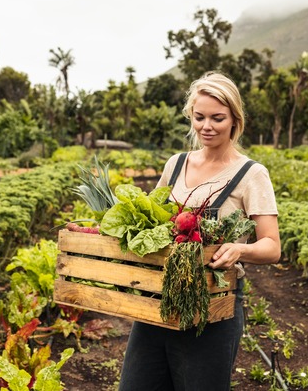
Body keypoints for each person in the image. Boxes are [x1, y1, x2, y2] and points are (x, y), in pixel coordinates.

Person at [118, 71, 281, 391]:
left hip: (212, 307)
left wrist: (240, 249)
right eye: (199, 117)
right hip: (158, 299)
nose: (207, 126)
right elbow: (154, 222)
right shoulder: (176, 164)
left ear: (235, 119)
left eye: (217, 118)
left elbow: (272, 246)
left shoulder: (251, 174)